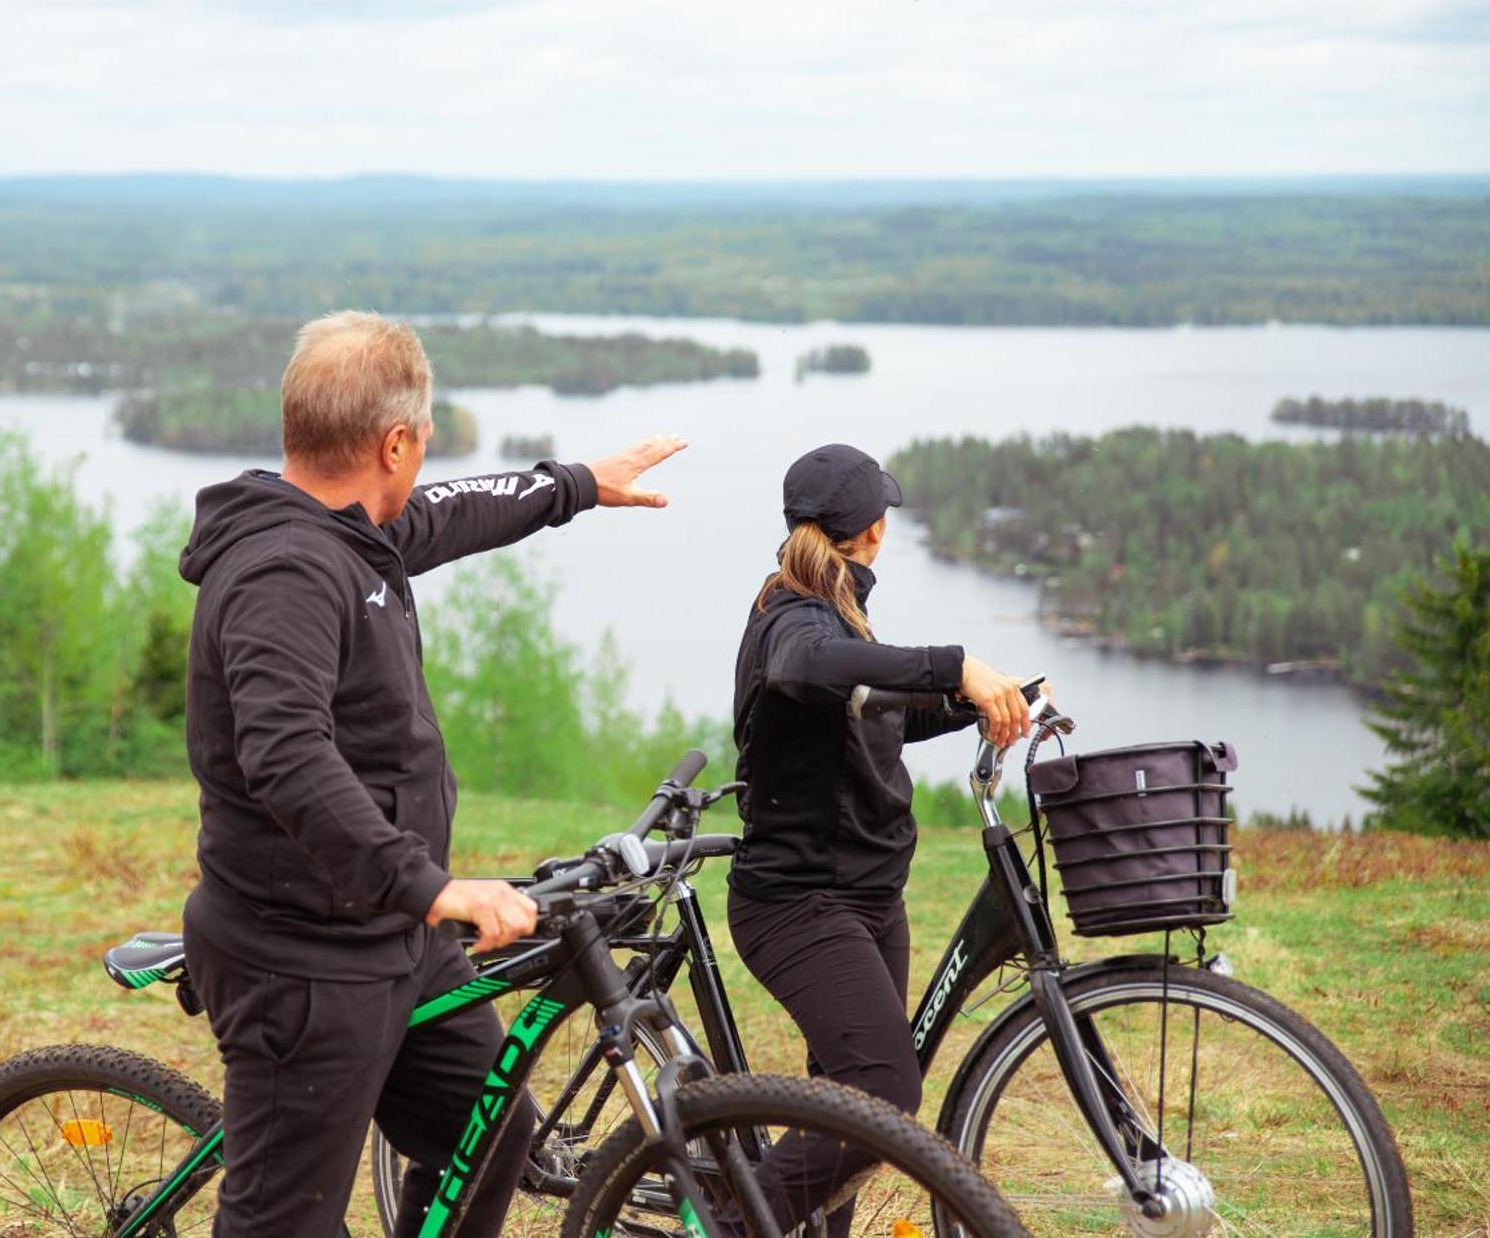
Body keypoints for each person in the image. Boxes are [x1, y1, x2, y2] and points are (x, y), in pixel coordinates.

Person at [176, 310, 686, 1237]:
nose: (426, 456)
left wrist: (575, 486)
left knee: (488, 1137)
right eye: (424, 437)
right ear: (394, 441)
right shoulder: (286, 569)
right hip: (302, 956)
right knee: (283, 1221)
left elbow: (452, 508)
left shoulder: (351, 531)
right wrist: (432, 884)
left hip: (392, 938)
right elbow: (286, 757)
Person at [726, 442, 1032, 1236]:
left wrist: (987, 699)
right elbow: (805, 666)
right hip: (798, 903)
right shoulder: (791, 615)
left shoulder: (836, 608)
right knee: (883, 1096)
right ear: (872, 530)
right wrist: (954, 662)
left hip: (867, 897)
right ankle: (729, 1225)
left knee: (849, 1105)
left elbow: (882, 709)